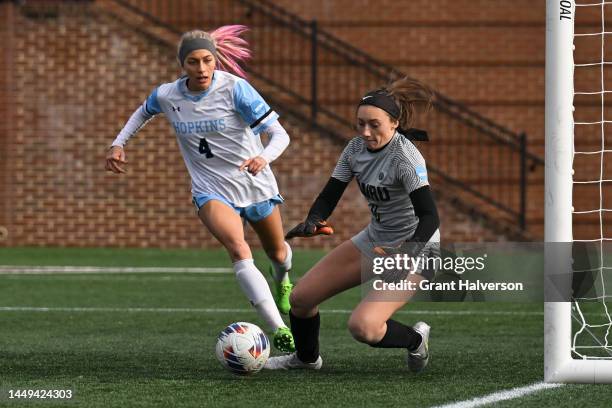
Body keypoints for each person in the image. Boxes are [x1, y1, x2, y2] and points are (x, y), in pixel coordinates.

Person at [105, 26, 295, 352]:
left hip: (254, 183)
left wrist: (263, 158)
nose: (202, 68)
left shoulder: (236, 89)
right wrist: (118, 143)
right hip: (211, 189)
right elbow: (143, 112)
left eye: (208, 60)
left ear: (216, 59)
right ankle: (277, 327)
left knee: (278, 254)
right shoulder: (168, 95)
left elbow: (281, 135)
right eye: (193, 62)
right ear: (183, 64)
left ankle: (282, 280)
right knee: (238, 249)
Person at [264, 76, 440, 370]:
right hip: (375, 239)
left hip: (417, 249)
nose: (366, 132)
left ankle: (415, 340)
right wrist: (314, 219)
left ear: (394, 123)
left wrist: (406, 256)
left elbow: (430, 217)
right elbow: (330, 194)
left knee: (364, 327)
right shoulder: (354, 149)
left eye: (374, 124)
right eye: (360, 124)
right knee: (301, 298)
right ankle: (306, 359)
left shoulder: (405, 158)